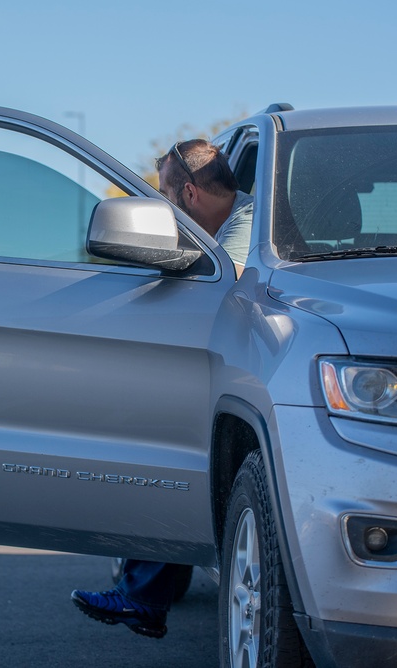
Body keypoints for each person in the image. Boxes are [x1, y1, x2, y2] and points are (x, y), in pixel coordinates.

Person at [70, 138, 254, 639]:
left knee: (166, 455)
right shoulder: (224, 225)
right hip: (225, 373)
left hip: (249, 382)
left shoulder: (247, 226)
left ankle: (142, 597)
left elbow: (226, 288)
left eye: (163, 197)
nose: (160, 209)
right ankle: (143, 595)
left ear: (190, 195)